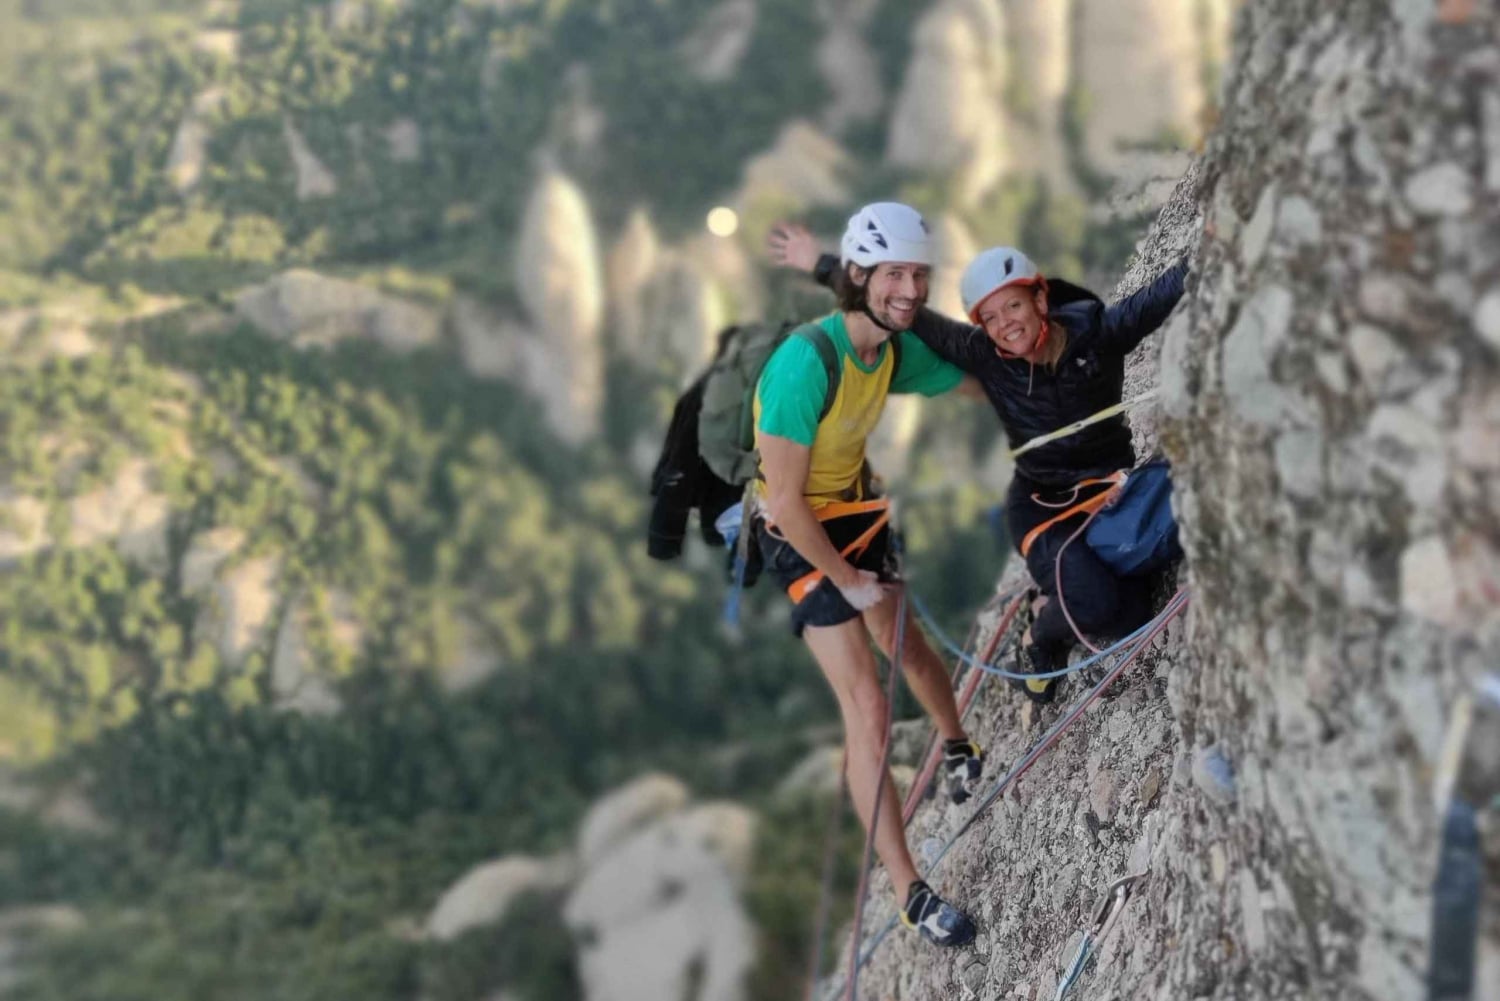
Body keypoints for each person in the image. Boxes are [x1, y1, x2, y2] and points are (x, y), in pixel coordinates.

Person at [769, 224, 1188, 703]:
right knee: (1114, 608)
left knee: (1135, 595)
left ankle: (1063, 594)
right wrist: (820, 264)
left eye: (1013, 305)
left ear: (1040, 300)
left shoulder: (1098, 336)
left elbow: (1158, 296)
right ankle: (1039, 638)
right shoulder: (985, 356)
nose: (1005, 323)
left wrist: (1212, 243)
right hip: (1043, 513)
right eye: (989, 317)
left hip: (1109, 492)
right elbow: (906, 311)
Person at [754, 202, 983, 947]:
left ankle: (958, 745)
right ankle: (912, 892)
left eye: (918, 273)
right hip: (800, 535)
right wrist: (846, 581)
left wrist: (1033, 376)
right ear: (859, 276)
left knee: (910, 650)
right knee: (869, 709)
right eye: (894, 273)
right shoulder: (802, 363)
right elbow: (785, 500)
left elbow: (969, 380)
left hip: (855, 512)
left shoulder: (889, 351)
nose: (911, 289)